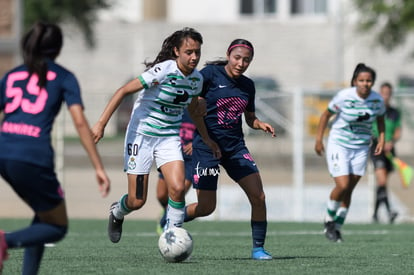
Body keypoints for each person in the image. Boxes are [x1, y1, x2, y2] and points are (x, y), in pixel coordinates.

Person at [0, 22, 111, 274]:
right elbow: (80, 122)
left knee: (44, 213)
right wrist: (98, 167)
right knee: (57, 226)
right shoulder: (64, 76)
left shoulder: (12, 75)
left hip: (4, 152)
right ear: (58, 48)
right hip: (33, 157)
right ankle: (5, 241)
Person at [92, 27, 219, 243]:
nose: (194, 57)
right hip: (141, 136)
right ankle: (117, 212)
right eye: (189, 52)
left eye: (197, 52)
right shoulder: (163, 71)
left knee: (178, 188)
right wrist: (101, 123)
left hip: (169, 137)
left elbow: (192, 111)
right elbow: (123, 90)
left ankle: (172, 237)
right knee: (137, 201)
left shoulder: (196, 80)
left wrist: (206, 137)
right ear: (177, 51)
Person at [181, 39, 276, 260]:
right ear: (228, 55)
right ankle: (174, 217)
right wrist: (202, 139)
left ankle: (258, 249)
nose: (241, 63)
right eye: (237, 58)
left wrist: (260, 124)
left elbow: (249, 118)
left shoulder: (248, 85)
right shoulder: (209, 75)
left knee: (259, 196)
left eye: (246, 60)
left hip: (235, 148)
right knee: (206, 208)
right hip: (206, 148)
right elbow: (192, 107)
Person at [315, 63, 385, 243]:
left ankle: (337, 228)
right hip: (339, 145)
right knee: (343, 185)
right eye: (361, 80)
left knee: (350, 190)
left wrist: (382, 140)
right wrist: (318, 140)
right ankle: (329, 219)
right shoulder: (344, 97)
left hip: (361, 147)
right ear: (355, 81)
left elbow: (380, 118)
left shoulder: (377, 100)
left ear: (372, 83)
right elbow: (325, 115)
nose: (365, 84)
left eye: (368, 81)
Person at [156, 108, 195, 234]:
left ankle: (165, 224)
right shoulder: (175, 109)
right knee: (161, 194)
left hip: (190, 161)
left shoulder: (197, 110)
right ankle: (167, 209)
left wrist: (196, 143)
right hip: (171, 156)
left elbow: (208, 131)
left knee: (179, 192)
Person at [371, 82, 401, 224]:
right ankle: (389, 211)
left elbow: (397, 131)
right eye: (383, 93)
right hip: (377, 149)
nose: (386, 96)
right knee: (381, 181)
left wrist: (391, 142)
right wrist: (380, 141)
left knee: (382, 184)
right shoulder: (374, 110)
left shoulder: (395, 112)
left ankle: (376, 214)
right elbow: (370, 129)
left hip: (390, 150)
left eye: (388, 93)